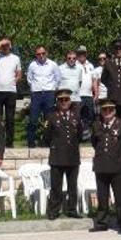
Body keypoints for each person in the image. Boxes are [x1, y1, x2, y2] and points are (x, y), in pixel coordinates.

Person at [89, 99, 121, 233]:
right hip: (101, 166)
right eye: (104, 110)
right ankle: (101, 222)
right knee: (102, 197)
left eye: (110, 110)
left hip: (118, 166)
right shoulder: (96, 125)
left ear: (115, 111)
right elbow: (95, 142)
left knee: (120, 198)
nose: (107, 112)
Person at [45, 89, 82, 219]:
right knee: (56, 186)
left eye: (66, 100)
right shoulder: (52, 116)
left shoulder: (76, 116)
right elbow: (47, 137)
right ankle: (54, 211)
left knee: (72, 186)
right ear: (57, 102)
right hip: (57, 156)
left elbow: (80, 135)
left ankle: (72, 209)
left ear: (70, 101)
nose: (64, 102)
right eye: (61, 100)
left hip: (72, 156)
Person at [0, 37, 22, 146]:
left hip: (10, 92)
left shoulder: (16, 58)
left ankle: (9, 142)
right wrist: (0, 42)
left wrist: (13, 82)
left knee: (10, 118)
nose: (5, 47)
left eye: (7, 45)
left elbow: (19, 74)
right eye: (3, 45)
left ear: (10, 46)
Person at [26, 45, 61, 148]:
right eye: (38, 54)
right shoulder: (32, 65)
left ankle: (48, 142)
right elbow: (29, 79)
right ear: (36, 55)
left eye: (43, 53)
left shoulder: (53, 64)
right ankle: (31, 142)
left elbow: (58, 78)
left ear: (46, 53)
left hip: (49, 93)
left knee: (49, 120)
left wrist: (52, 89)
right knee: (33, 119)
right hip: (36, 94)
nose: (41, 55)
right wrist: (34, 88)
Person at [76, 46, 96, 135]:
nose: (81, 55)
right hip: (78, 95)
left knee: (90, 116)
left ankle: (87, 134)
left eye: (83, 53)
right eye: (79, 53)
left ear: (86, 54)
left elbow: (94, 80)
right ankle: (78, 135)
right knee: (77, 116)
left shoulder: (91, 65)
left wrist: (96, 93)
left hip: (89, 95)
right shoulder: (74, 64)